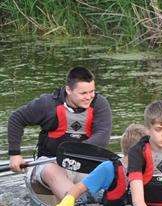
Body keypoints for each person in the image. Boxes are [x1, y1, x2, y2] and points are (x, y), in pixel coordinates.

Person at [6, 66, 112, 198]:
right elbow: (16, 118)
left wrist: (72, 153)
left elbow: (102, 137)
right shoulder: (47, 104)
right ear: (68, 90)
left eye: (92, 91)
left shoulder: (100, 104)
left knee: (110, 170)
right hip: (51, 162)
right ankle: (78, 204)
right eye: (83, 93)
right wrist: (15, 154)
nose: (89, 97)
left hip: (85, 162)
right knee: (52, 171)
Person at [51, 124, 148, 206]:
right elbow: (79, 188)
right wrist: (68, 200)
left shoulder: (151, 169)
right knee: (89, 196)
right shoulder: (108, 168)